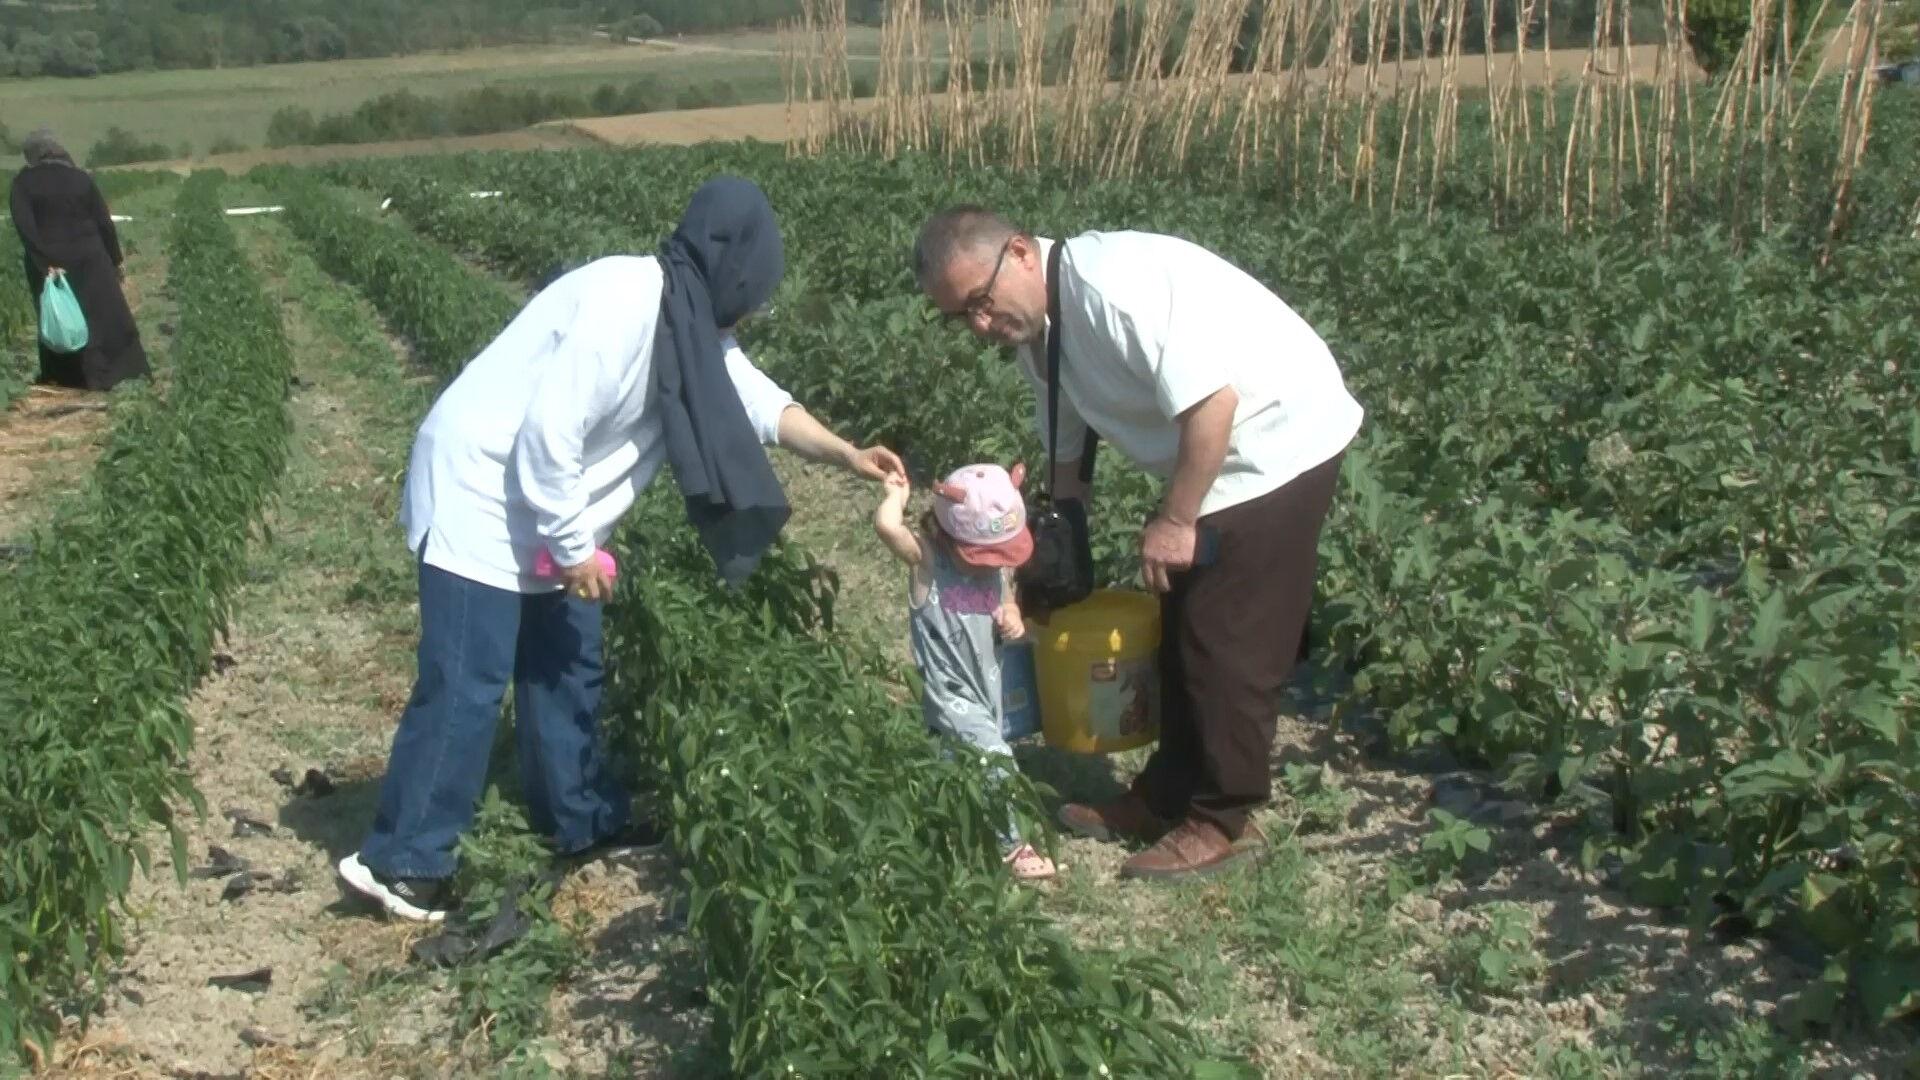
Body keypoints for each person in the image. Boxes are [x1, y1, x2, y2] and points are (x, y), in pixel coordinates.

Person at [337, 176, 905, 923]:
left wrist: (845, 452)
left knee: (568, 664)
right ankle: (404, 859)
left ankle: (578, 819)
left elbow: (755, 397)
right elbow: (549, 435)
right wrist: (575, 551)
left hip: (547, 507)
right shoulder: (623, 303)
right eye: (758, 283)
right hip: (482, 496)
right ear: (733, 265)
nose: (758, 301)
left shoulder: (687, 317)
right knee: (466, 683)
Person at [911, 206, 1364, 881]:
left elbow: (1215, 404)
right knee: (1179, 620)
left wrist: (1177, 521)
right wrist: (1057, 538)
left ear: (1021, 254)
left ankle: (1226, 820)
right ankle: (1166, 794)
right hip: (1219, 450)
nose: (980, 325)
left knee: (1224, 636)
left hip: (1277, 436)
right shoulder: (1041, 331)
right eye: (961, 317)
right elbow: (1067, 446)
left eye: (980, 301)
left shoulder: (1111, 290)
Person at [873, 462, 1057, 881]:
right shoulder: (928, 564)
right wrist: (895, 497)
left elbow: (1004, 590)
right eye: (984, 557)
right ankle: (1011, 846)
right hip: (949, 688)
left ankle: (941, 831)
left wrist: (1011, 613)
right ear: (948, 535)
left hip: (985, 683)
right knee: (993, 756)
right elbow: (888, 529)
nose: (992, 565)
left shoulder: (994, 568)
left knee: (956, 764)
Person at [8, 130, 150, 392]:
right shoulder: (79, 178)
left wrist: (44, 261)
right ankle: (117, 373)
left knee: (61, 316)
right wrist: (115, 259)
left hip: (51, 261)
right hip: (90, 255)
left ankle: (68, 377)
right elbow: (103, 222)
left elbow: (25, 226)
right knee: (103, 313)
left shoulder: (23, 183)